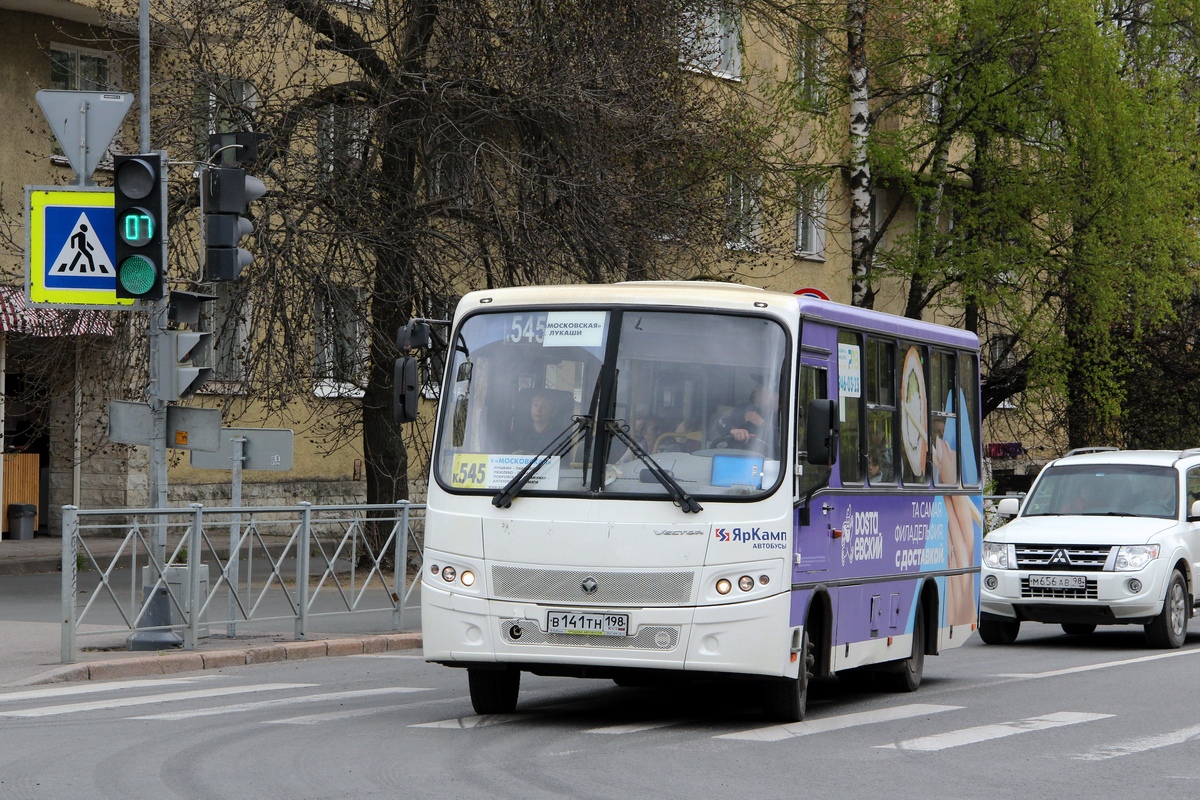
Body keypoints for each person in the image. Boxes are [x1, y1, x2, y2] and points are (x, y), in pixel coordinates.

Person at [714, 378, 779, 455]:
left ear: (774, 396)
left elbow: (785, 443)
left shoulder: (785, 416)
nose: (755, 393)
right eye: (756, 389)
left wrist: (761, 423)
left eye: (759, 390)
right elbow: (721, 422)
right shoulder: (745, 409)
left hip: (768, 460)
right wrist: (733, 430)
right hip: (736, 455)